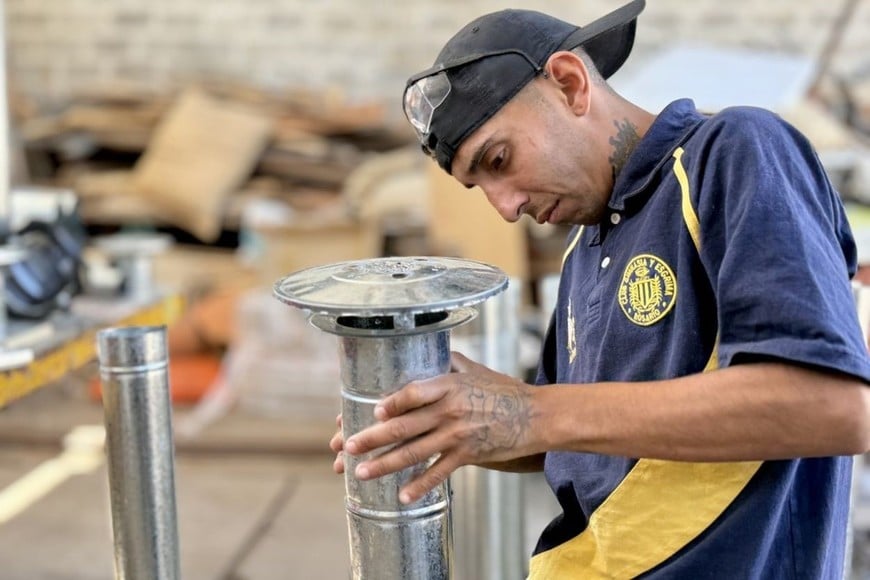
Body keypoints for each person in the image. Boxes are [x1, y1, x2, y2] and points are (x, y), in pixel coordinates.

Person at [330, 1, 870, 577]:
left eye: (499, 159)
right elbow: (579, 435)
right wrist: (452, 423)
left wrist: (530, 411)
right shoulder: (583, 249)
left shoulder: (734, 150)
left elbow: (830, 406)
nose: (506, 207)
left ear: (569, 83)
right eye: (479, 185)